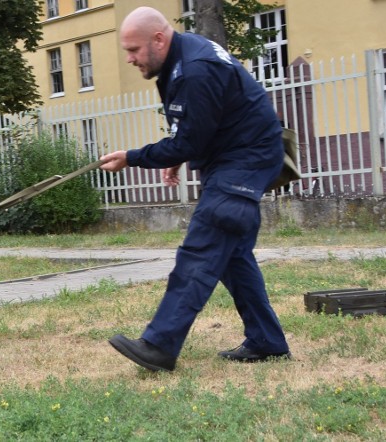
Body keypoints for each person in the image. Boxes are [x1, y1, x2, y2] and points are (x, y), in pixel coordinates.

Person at [100, 7, 291, 372]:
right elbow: (195, 128)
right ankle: (267, 341)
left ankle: (159, 345)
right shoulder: (178, 59)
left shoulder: (196, 69)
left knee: (203, 248)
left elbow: (191, 136)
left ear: (158, 38)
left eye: (134, 50)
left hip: (245, 158)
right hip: (236, 156)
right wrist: (179, 152)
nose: (130, 59)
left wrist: (133, 157)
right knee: (232, 256)